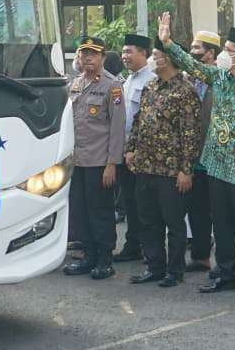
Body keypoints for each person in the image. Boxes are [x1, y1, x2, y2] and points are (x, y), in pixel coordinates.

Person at [159, 13, 235, 297]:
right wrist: (167, 42)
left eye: (228, 50)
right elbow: (191, 64)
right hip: (216, 165)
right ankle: (226, 274)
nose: (224, 54)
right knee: (222, 225)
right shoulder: (219, 78)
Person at [124, 44, 204, 287]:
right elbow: (139, 122)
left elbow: (191, 133)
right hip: (145, 165)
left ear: (167, 60)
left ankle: (174, 270)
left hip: (171, 170)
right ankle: (155, 266)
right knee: (149, 220)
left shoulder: (185, 91)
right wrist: (131, 149)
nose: (152, 59)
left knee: (174, 223)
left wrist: (186, 169)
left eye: (156, 56)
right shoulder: (151, 87)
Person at [64, 36, 124, 280]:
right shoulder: (75, 84)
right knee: (81, 211)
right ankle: (88, 256)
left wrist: (112, 164)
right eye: (84, 53)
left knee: (100, 212)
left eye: (93, 54)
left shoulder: (112, 86)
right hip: (77, 160)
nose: (87, 58)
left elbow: (118, 129)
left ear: (102, 57)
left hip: (100, 162)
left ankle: (104, 259)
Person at [112, 33, 156, 263]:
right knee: (130, 201)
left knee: (144, 204)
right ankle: (133, 244)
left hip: (142, 152)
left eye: (129, 51)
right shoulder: (128, 80)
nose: (124, 56)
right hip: (124, 151)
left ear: (143, 53)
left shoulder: (152, 79)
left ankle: (149, 248)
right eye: (123, 51)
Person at [185, 31, 222, 274]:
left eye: (196, 48)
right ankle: (200, 257)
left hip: (217, 159)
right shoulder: (190, 81)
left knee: (219, 213)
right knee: (196, 211)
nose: (192, 53)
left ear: (210, 53)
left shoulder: (220, 80)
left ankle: (224, 263)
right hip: (194, 158)